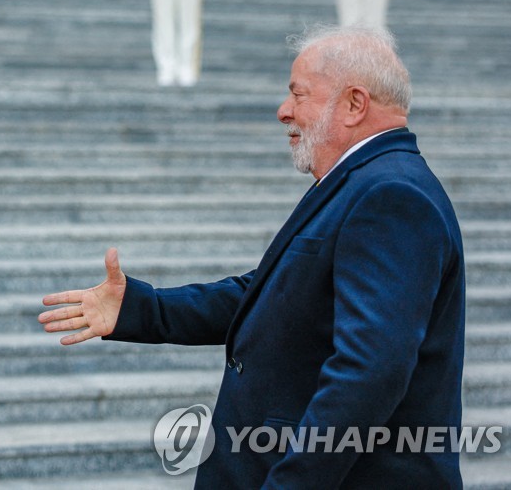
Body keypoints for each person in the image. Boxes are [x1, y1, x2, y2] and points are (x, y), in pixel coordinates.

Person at [39, 25, 465, 487]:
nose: (284, 111)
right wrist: (145, 309)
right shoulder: (367, 180)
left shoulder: (391, 195)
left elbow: (368, 374)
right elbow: (272, 292)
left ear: (354, 104)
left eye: (298, 94)